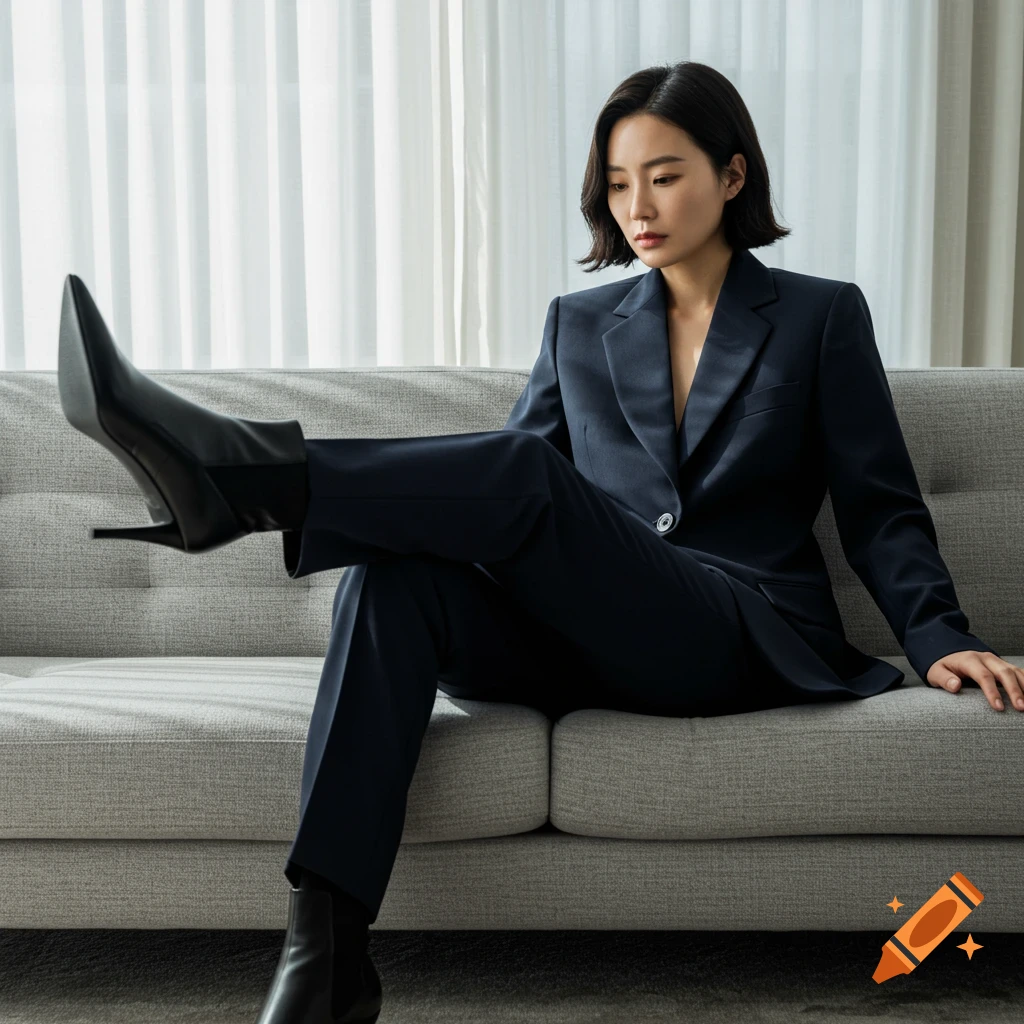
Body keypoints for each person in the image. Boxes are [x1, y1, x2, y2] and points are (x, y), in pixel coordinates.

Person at [55, 59, 1014, 1024]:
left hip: (732, 628)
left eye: (666, 174)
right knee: (390, 582)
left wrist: (938, 637)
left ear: (731, 176)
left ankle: (237, 479)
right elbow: (492, 505)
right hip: (585, 638)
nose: (637, 203)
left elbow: (881, 505)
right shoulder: (580, 324)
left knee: (519, 470)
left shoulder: (818, 315)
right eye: (617, 181)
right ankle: (327, 959)